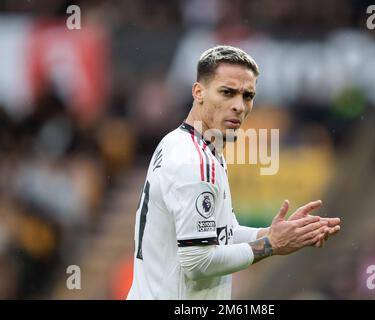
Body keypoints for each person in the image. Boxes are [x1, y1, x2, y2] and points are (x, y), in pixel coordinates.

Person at [127, 45, 341, 300]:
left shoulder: (185, 144)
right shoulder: (194, 161)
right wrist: (271, 245)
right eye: (227, 92)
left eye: (247, 96)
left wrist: (274, 233)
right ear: (199, 92)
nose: (239, 106)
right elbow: (197, 262)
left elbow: (222, 232)